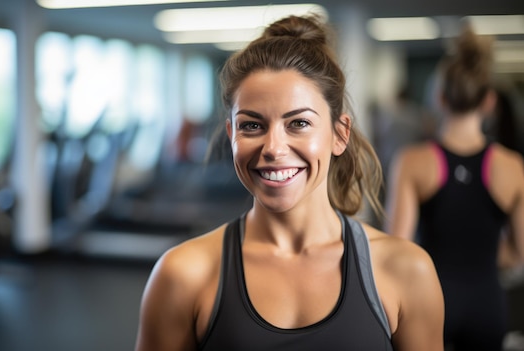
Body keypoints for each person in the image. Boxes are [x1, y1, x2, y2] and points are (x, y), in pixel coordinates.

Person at [135, 13, 444, 351]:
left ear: (340, 134)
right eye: (252, 126)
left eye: (298, 123)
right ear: (231, 135)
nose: (273, 148)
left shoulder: (406, 271)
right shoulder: (182, 275)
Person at [385, 24, 524, 350]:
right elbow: (518, 255)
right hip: (488, 305)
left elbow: (396, 250)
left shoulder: (412, 162)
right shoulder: (513, 167)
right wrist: (481, 250)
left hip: (431, 302)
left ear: (440, 97)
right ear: (489, 102)